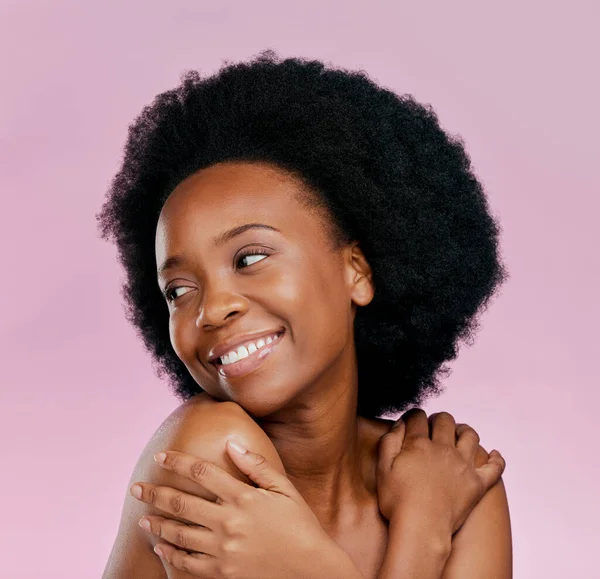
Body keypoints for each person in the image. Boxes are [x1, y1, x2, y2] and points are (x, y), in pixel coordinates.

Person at [97, 50, 512, 578]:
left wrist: (423, 513)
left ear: (357, 272)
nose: (212, 308)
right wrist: (422, 531)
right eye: (178, 290)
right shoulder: (206, 456)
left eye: (249, 258)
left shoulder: (454, 477)